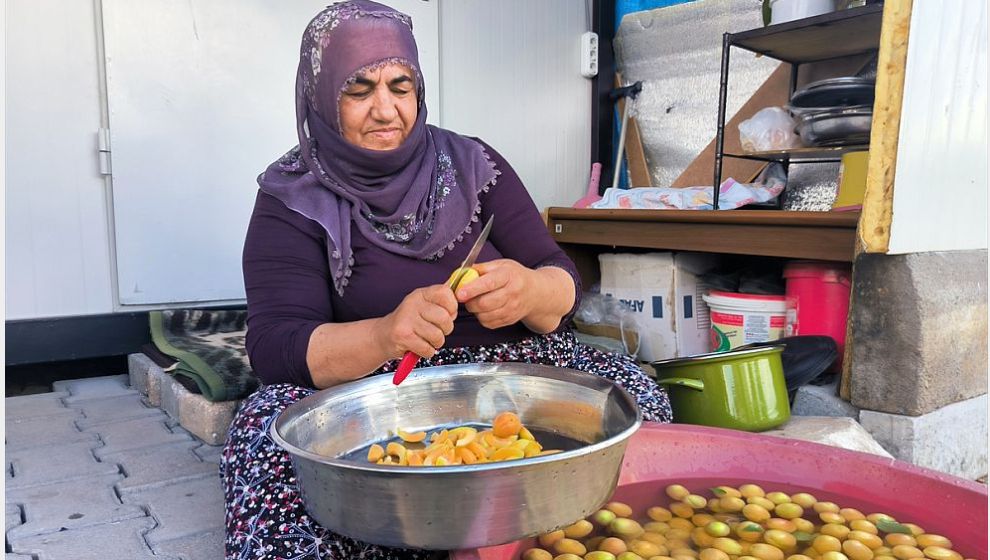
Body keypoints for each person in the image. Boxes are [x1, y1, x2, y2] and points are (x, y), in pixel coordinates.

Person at [220, 2, 672, 558]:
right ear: (321, 95)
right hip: (381, 395)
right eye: (358, 90)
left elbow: (562, 279)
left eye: (399, 85)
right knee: (267, 438)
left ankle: (482, 528)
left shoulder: (475, 164)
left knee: (636, 395)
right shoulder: (291, 198)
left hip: (511, 381)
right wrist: (385, 334)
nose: (385, 109)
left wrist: (530, 292)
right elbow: (275, 349)